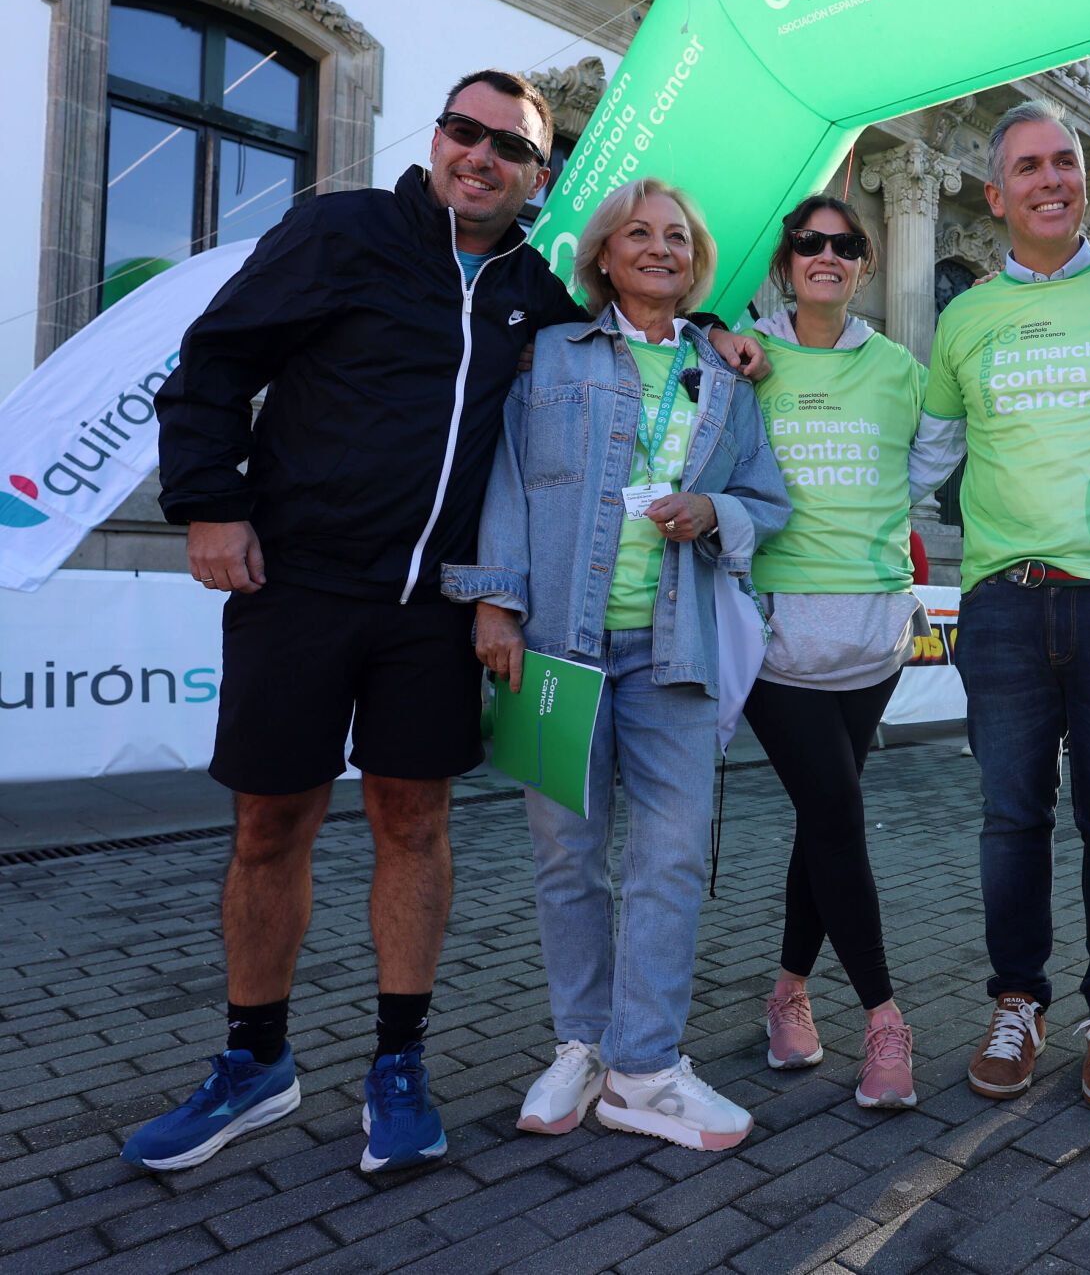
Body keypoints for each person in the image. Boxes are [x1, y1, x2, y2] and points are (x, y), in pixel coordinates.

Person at [131, 71, 769, 1175]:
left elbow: (636, 332)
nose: (480, 155)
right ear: (437, 140)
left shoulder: (536, 297)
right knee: (268, 826)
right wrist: (211, 501)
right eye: (463, 131)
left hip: (435, 606)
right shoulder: (341, 231)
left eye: (508, 146)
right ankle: (253, 1062)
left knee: (412, 825)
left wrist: (717, 327)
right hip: (300, 584)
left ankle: (399, 1064)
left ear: (536, 176)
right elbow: (215, 361)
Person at [447, 177, 789, 1149]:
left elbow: (766, 497)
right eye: (637, 233)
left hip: (674, 648)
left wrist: (717, 511)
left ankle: (643, 1063)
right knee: (564, 855)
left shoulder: (725, 375)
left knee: (669, 856)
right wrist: (495, 608)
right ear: (602, 254)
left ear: (697, 260)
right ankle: (582, 1043)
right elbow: (504, 479)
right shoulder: (546, 356)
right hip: (555, 644)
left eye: (676, 236)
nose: (659, 248)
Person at [912, 100, 1090, 1113]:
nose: (1048, 179)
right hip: (1001, 605)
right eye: (1026, 167)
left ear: (1083, 181)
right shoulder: (962, 317)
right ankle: (1015, 1004)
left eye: (1062, 162)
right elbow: (926, 459)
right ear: (996, 195)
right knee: (1009, 820)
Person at [739, 193, 928, 1109]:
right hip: (773, 638)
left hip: (871, 637)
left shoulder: (899, 368)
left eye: (844, 245)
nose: (826, 255)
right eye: (808, 242)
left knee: (826, 817)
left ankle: (787, 993)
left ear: (862, 265)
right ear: (785, 263)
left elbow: (927, 465)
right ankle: (884, 1018)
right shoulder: (743, 358)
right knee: (839, 814)